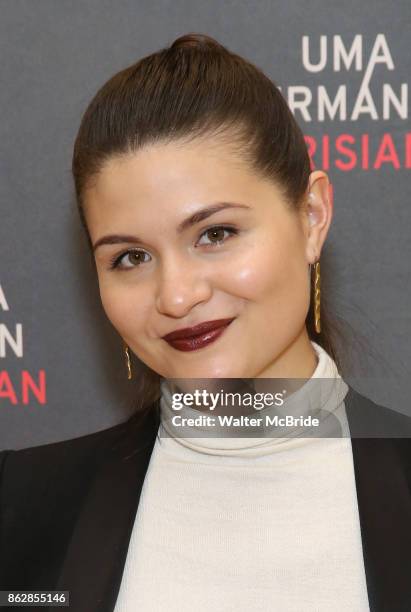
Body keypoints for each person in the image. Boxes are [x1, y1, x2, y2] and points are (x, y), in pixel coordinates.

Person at [0, 33, 410, 612]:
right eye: (130, 258)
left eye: (215, 234)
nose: (176, 296)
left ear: (312, 216)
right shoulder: (21, 506)